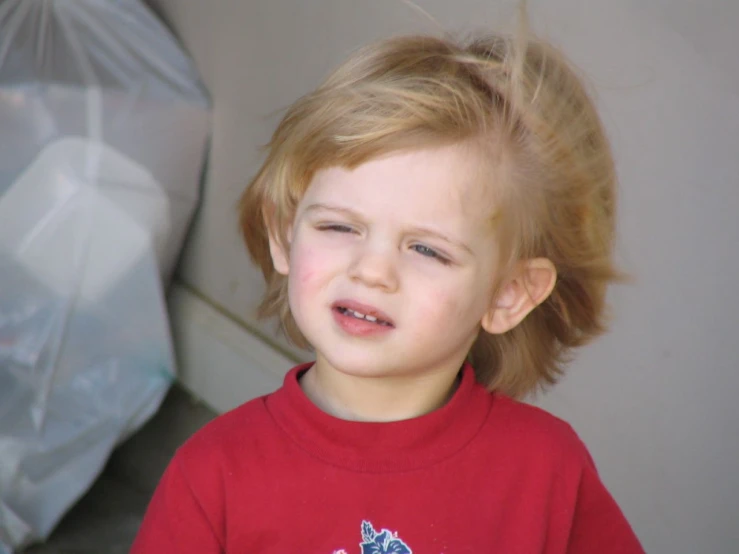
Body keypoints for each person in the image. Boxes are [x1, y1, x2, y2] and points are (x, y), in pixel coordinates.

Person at [131, 16, 646, 554]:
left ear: (507, 294)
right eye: (339, 226)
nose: (371, 270)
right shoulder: (215, 472)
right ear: (284, 234)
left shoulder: (547, 469)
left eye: (426, 249)